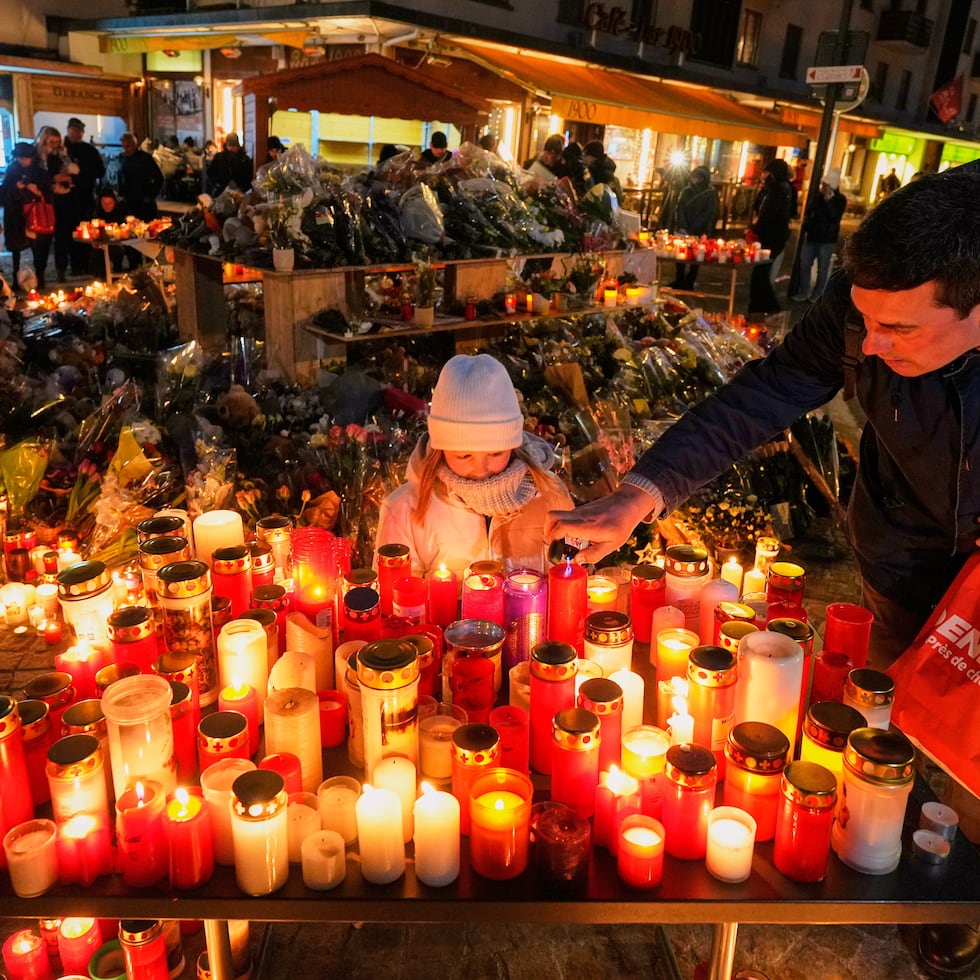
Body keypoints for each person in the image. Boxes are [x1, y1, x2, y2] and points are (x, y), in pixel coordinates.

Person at [546, 171, 980, 977]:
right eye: (864, 322)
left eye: (899, 329)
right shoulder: (861, 313)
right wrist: (642, 493)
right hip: (906, 555)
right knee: (902, 718)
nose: (872, 346)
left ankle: (964, 890)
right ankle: (909, 846)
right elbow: (768, 391)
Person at [376, 353, 573, 578]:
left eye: (496, 453)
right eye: (464, 456)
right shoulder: (405, 509)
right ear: (441, 449)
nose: (481, 469)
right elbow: (394, 601)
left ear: (514, 444)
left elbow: (571, 577)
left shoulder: (549, 494)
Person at [746, 157, 796, 316]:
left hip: (771, 238)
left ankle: (767, 308)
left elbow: (769, 214)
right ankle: (760, 308)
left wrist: (755, 228)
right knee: (760, 273)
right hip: (769, 236)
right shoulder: (773, 188)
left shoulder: (780, 190)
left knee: (761, 274)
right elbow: (759, 208)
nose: (763, 174)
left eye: (766, 171)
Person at [0, 142, 51, 290]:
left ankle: (40, 277)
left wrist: (36, 191)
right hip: (15, 215)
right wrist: (16, 187)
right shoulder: (12, 170)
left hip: (33, 214)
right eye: (21, 158)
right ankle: (16, 279)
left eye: (26, 158)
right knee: (16, 248)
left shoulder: (39, 172)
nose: (23, 161)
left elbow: (47, 193)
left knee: (37, 247)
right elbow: (4, 194)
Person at [793, 168, 847, 302]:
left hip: (827, 239)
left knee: (823, 269)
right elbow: (810, 211)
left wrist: (828, 202)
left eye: (826, 185)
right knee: (805, 264)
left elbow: (834, 217)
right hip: (812, 236)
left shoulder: (840, 200)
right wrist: (807, 224)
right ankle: (803, 292)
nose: (823, 187)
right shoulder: (818, 197)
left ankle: (817, 294)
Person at [64, 117, 105, 276]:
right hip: (67, 199)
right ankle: (74, 264)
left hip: (85, 196)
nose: (77, 133)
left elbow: (100, 171)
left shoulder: (89, 150)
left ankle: (86, 263)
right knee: (70, 232)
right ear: (69, 130)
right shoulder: (63, 149)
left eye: (80, 131)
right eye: (74, 130)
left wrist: (83, 172)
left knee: (86, 230)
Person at [668, 165, 719, 291]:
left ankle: (690, 280)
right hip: (684, 228)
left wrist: (696, 228)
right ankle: (679, 279)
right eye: (694, 176)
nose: (695, 180)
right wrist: (682, 224)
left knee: (696, 256)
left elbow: (709, 213)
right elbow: (679, 209)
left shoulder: (709, 194)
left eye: (698, 177)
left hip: (699, 230)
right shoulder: (686, 191)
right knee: (680, 255)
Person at [116, 132, 164, 221]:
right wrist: (120, 193)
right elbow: (119, 175)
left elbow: (159, 179)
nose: (126, 150)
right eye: (124, 147)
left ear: (135, 144)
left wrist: (150, 196)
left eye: (128, 146)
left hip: (144, 202)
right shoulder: (122, 157)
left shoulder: (146, 159)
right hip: (128, 201)